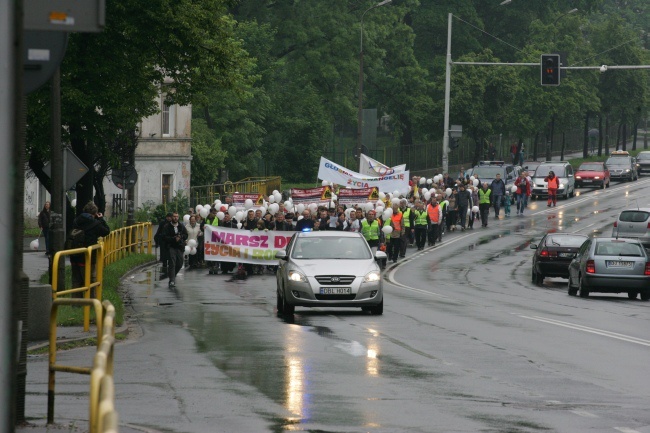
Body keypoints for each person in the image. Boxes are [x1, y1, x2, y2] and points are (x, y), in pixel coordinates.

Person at [70, 201, 111, 296]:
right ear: (95, 213)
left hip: (75, 254)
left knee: (76, 281)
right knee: (91, 280)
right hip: (88, 256)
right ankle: (91, 303)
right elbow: (106, 231)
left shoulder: (76, 220)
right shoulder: (95, 223)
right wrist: (101, 219)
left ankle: (76, 304)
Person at [162, 212, 188, 288]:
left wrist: (181, 237)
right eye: (174, 216)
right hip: (171, 246)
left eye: (177, 216)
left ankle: (172, 275)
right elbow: (164, 237)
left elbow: (186, 235)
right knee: (172, 262)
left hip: (179, 247)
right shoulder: (167, 226)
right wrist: (173, 239)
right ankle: (172, 280)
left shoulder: (181, 226)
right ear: (172, 217)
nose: (175, 218)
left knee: (180, 263)